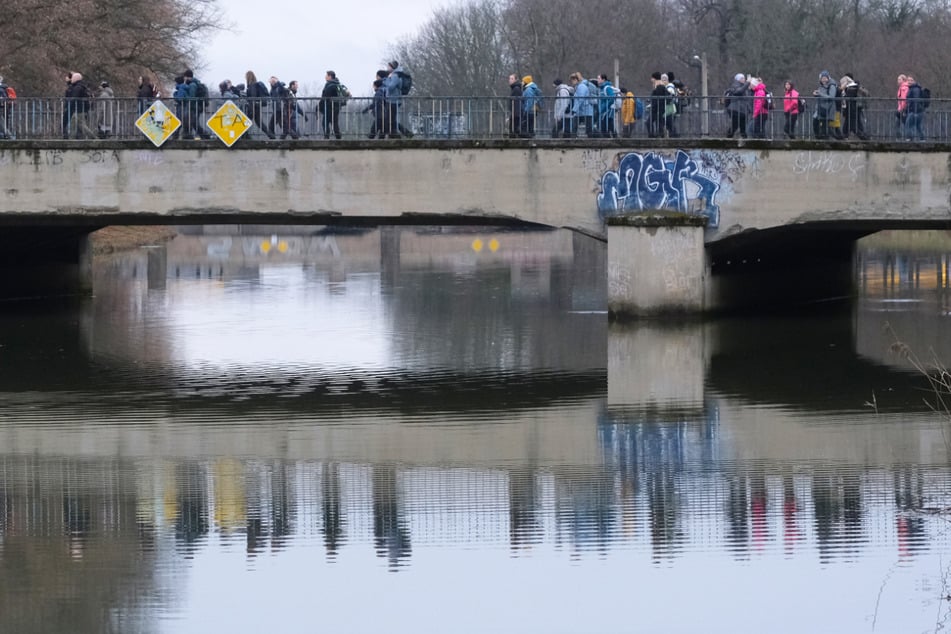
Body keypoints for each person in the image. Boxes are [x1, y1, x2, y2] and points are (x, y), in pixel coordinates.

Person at [63, 72, 96, 139]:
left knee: (80, 124)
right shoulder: (81, 86)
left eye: (72, 78)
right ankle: (72, 138)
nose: (71, 79)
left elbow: (74, 97)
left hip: (79, 109)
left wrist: (68, 104)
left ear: (75, 78)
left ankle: (93, 137)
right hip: (80, 109)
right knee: (76, 123)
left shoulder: (78, 87)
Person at [244, 70, 275, 139]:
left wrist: (251, 107)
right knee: (259, 123)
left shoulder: (252, 85)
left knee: (245, 122)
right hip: (257, 106)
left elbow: (253, 96)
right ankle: (271, 135)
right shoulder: (254, 84)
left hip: (253, 107)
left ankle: (245, 136)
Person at [182, 69, 211, 139]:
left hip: (194, 107)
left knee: (193, 122)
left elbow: (192, 97)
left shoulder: (192, 85)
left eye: (184, 77)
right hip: (197, 106)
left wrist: (185, 98)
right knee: (194, 122)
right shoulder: (195, 83)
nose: (184, 79)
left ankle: (204, 134)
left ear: (187, 77)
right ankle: (203, 135)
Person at [840, 73, 869, 140]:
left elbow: (848, 98)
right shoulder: (854, 87)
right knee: (850, 126)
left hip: (852, 110)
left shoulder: (851, 88)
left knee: (853, 126)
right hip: (852, 109)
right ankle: (844, 137)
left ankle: (864, 138)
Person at [723, 72, 751, 139]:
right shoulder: (735, 85)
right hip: (736, 109)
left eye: (744, 78)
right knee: (735, 125)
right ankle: (728, 137)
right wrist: (747, 83)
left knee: (743, 126)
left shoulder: (743, 86)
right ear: (738, 79)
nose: (744, 79)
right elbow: (739, 92)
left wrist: (749, 109)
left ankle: (744, 138)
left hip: (742, 110)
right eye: (742, 78)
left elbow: (746, 99)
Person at [812, 70, 837, 140]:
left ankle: (826, 140)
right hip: (821, 108)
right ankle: (819, 138)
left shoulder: (832, 85)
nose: (823, 79)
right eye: (822, 78)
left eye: (825, 78)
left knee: (825, 127)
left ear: (828, 78)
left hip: (827, 109)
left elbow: (832, 96)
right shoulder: (821, 86)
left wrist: (820, 94)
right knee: (815, 122)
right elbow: (822, 95)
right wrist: (816, 95)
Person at [319, 70, 343, 139]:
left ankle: (326, 137)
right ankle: (338, 137)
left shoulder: (329, 85)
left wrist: (319, 106)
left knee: (325, 123)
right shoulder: (337, 84)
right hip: (336, 107)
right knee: (334, 123)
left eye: (326, 75)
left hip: (329, 107)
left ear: (330, 76)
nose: (325, 77)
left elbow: (324, 97)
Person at [569, 72, 594, 138]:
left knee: (587, 128)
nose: (571, 82)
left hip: (584, 110)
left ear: (576, 80)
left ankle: (598, 138)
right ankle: (574, 138)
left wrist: (574, 109)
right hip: (583, 111)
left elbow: (580, 99)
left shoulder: (581, 87)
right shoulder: (579, 86)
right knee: (587, 127)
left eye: (572, 80)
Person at [904, 74, 926, 141]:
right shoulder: (914, 88)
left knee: (908, 124)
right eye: (908, 80)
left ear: (914, 81)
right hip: (918, 110)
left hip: (915, 111)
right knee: (918, 126)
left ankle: (909, 138)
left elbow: (916, 100)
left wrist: (915, 111)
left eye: (911, 80)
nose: (909, 81)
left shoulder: (915, 89)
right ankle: (922, 139)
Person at [597, 73, 617, 137]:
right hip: (604, 111)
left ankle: (611, 139)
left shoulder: (607, 87)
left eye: (599, 78)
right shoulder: (601, 88)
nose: (597, 80)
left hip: (607, 111)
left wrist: (605, 106)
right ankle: (614, 138)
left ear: (603, 79)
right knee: (609, 127)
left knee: (605, 127)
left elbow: (612, 97)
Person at [507, 74, 523, 138]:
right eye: (509, 79)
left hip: (515, 113)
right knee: (513, 129)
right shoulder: (515, 88)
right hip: (515, 113)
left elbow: (516, 102)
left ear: (516, 80)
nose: (509, 80)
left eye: (512, 79)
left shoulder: (516, 89)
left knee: (513, 130)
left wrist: (514, 114)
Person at [895, 74, 909, 139]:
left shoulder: (904, 88)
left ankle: (907, 138)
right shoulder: (901, 88)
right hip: (900, 109)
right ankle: (900, 138)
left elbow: (904, 99)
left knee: (904, 124)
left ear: (903, 80)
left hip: (903, 109)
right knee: (898, 124)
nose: (898, 81)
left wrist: (902, 109)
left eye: (899, 79)